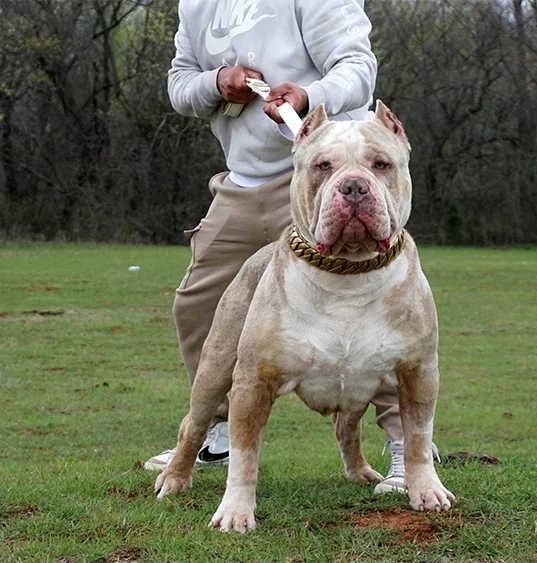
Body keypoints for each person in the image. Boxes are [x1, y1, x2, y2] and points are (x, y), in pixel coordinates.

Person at [145, 0, 423, 494]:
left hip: (323, 178)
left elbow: (358, 67)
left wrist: (309, 95)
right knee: (198, 305)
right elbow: (179, 83)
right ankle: (218, 431)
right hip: (241, 183)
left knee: (369, 311)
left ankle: (407, 449)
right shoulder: (196, 4)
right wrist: (216, 83)